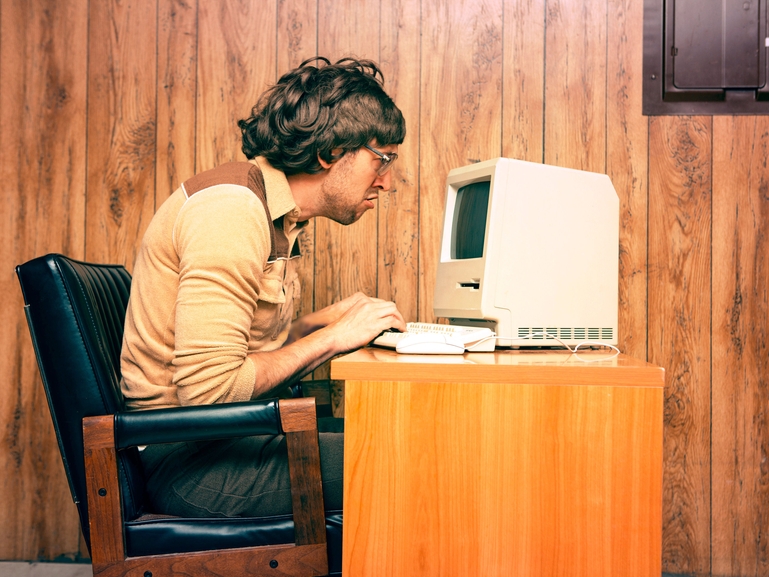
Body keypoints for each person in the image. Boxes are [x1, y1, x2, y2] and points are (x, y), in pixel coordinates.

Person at [120, 57, 407, 518]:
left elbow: (246, 354)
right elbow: (211, 391)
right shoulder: (231, 211)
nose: (387, 182)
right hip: (190, 460)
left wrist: (318, 324)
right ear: (330, 152)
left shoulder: (275, 214)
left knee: (398, 437)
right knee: (405, 457)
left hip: (224, 439)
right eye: (383, 158)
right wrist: (333, 338)